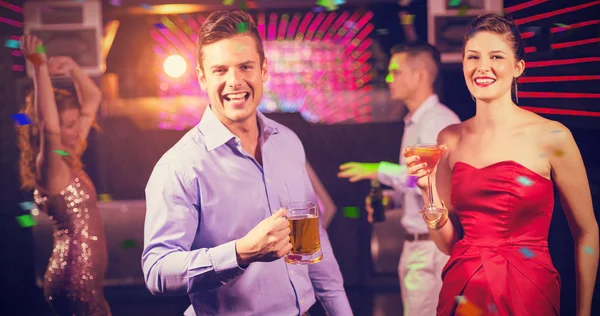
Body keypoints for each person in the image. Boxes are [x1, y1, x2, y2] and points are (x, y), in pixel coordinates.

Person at [142, 10, 352, 316]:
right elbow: (157, 271)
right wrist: (240, 253)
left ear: (264, 70)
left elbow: (312, 241)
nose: (234, 81)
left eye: (245, 67)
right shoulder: (180, 166)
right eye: (220, 70)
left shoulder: (288, 142)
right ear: (202, 77)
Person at [405, 14, 599, 316]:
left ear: (518, 67)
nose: (483, 67)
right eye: (473, 57)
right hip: (463, 292)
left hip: (528, 290)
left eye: (496, 56)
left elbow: (586, 233)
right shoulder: (450, 139)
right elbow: (449, 243)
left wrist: (585, 310)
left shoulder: (553, 136)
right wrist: (427, 188)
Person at [337, 42, 460, 316]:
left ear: (419, 75)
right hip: (415, 247)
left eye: (396, 71)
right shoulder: (415, 121)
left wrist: (376, 169)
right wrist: (392, 200)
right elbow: (418, 187)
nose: (389, 78)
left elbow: (428, 180)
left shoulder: (439, 121)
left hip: (431, 249)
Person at [17, 35, 109, 315]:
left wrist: (72, 68)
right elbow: (49, 126)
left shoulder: (70, 156)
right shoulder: (51, 166)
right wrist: (40, 68)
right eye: (67, 125)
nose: (75, 130)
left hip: (88, 282)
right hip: (72, 282)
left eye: (74, 122)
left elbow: (93, 98)